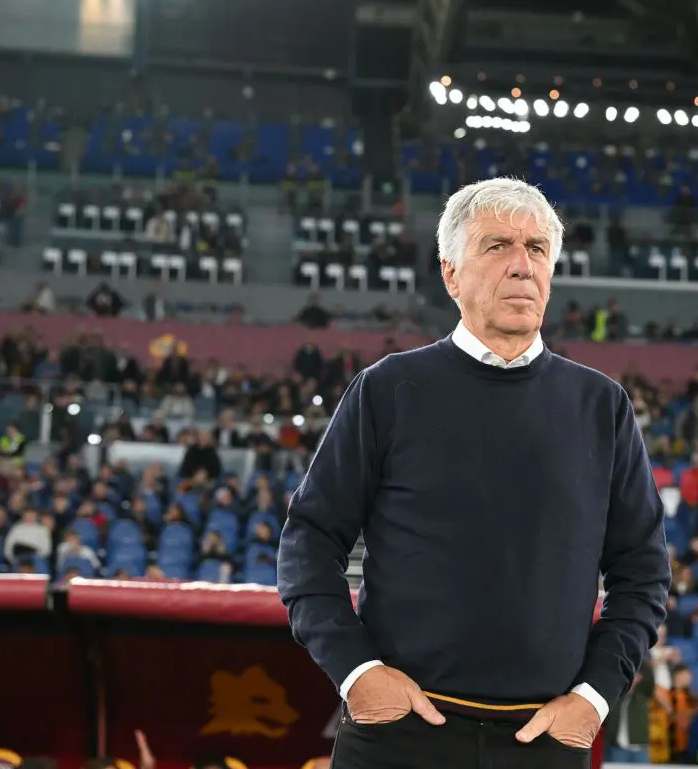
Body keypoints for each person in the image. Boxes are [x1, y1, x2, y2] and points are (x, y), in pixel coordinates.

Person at [278, 177, 671, 768]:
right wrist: (356, 672)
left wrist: (594, 698)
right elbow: (309, 540)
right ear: (451, 275)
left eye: (536, 248)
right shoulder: (388, 390)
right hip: (398, 737)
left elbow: (643, 571)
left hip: (545, 742)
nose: (522, 266)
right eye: (497, 246)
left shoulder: (602, 406)